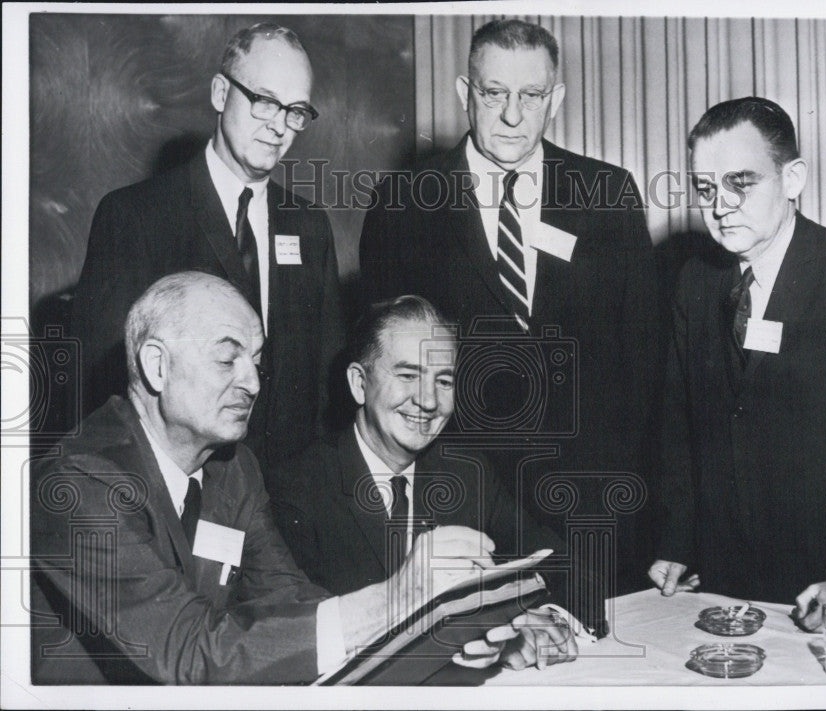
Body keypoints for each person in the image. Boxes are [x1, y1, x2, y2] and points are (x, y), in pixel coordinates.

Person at [30, 272, 498, 684]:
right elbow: (189, 652)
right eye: (227, 359)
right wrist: (395, 600)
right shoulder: (79, 483)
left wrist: (433, 632)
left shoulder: (233, 468)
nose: (253, 382)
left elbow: (288, 599)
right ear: (157, 366)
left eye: (256, 361)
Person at [358, 19, 661, 618]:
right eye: (495, 93)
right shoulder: (405, 202)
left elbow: (644, 368)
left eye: (532, 96)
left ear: (559, 98)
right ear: (463, 91)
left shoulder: (608, 194)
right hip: (460, 502)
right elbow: (383, 375)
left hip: (587, 508)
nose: (513, 116)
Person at [71, 22, 343, 478]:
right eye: (264, 101)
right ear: (221, 93)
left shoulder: (309, 227)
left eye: (295, 111)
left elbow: (325, 388)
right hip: (175, 497)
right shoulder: (136, 216)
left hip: (289, 499)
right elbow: (101, 391)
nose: (278, 125)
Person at [270, 295, 587, 670]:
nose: (428, 400)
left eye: (444, 380)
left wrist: (541, 620)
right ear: (359, 383)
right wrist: (476, 634)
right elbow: (301, 636)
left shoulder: (468, 473)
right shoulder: (296, 488)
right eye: (407, 375)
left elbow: (561, 563)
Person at [647, 97, 826, 625]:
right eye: (706, 188)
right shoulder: (695, 283)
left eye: (742, 183)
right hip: (722, 583)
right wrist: (678, 541)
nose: (720, 205)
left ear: (793, 180)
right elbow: (678, 430)